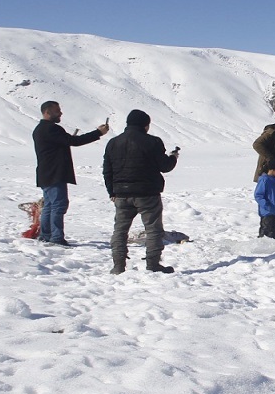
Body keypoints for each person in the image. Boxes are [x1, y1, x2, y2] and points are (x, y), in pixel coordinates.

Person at [102, 110, 178, 274]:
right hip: (147, 194)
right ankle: (153, 265)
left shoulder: (113, 143)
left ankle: (118, 266)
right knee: (153, 230)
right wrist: (173, 158)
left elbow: (107, 171)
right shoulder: (153, 142)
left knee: (120, 231)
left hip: (121, 194)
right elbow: (164, 166)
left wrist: (112, 191)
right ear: (146, 125)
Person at [33, 100, 109, 246]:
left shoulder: (40, 129)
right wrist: (98, 133)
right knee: (57, 205)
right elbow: (74, 141)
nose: (60, 113)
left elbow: (69, 141)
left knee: (50, 205)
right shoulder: (51, 129)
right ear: (47, 112)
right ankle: (55, 237)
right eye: (57, 110)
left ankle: (46, 235)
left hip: (46, 173)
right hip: (54, 174)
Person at [254, 168, 275, 239]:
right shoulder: (265, 180)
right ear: (273, 170)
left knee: (274, 232)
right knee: (266, 233)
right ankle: (264, 247)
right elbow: (258, 195)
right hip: (268, 212)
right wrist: (266, 205)